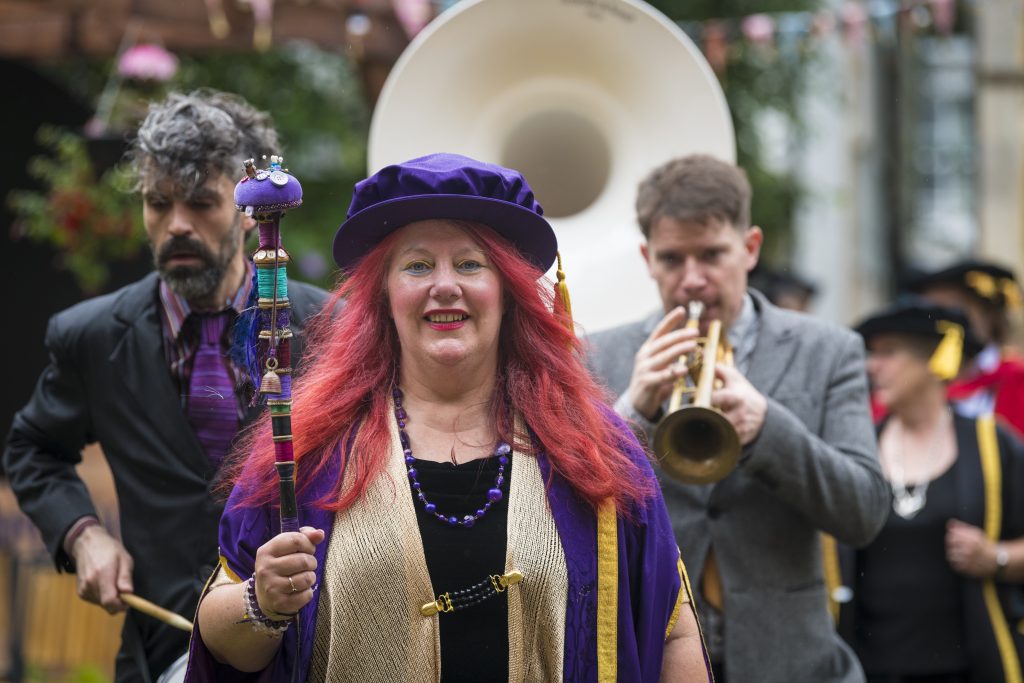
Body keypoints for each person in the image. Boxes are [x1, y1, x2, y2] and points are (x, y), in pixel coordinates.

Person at [184, 153, 711, 682]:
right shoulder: (312, 449)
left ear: (507, 292)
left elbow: (672, 628)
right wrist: (263, 603)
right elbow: (225, 643)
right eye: (416, 265)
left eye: (469, 264)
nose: (444, 285)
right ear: (383, 295)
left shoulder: (592, 447)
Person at [2, 89, 328, 682]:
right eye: (158, 203)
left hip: (312, 646)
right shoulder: (91, 337)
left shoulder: (329, 330)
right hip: (162, 654)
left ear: (249, 209)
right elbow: (31, 450)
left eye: (202, 202)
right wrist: (83, 536)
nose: (176, 224)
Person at [585, 154, 890, 682]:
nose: (693, 280)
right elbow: (563, 523)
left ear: (750, 248)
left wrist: (768, 428)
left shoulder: (829, 350)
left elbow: (863, 512)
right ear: (647, 258)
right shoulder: (599, 357)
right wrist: (630, 414)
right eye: (672, 259)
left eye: (712, 254)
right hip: (654, 660)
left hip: (790, 663)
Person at [844, 299, 1024, 682]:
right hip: (867, 670)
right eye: (871, 354)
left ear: (934, 359)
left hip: (970, 669)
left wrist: (997, 558)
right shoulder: (858, 446)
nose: (871, 366)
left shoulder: (994, 446)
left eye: (888, 353)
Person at [906, 260, 1024, 438]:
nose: (942, 323)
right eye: (933, 312)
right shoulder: (911, 381)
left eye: (954, 310)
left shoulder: (1016, 380)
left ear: (989, 314)